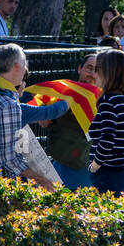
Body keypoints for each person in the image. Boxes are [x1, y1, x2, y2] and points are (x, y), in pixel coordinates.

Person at [0, 44, 53, 187]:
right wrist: (43, 179)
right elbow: (10, 159)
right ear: (17, 66)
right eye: (24, 64)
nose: (25, 69)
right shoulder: (8, 104)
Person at [87, 49, 124, 195]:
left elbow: (107, 139)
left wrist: (94, 166)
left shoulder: (108, 102)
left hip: (107, 172)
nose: (94, 74)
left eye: (97, 69)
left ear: (108, 72)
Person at [44, 52, 99, 190]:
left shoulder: (103, 98)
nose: (92, 74)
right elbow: (44, 121)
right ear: (79, 68)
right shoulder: (64, 92)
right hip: (63, 163)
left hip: (87, 168)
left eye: (97, 70)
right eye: (89, 68)